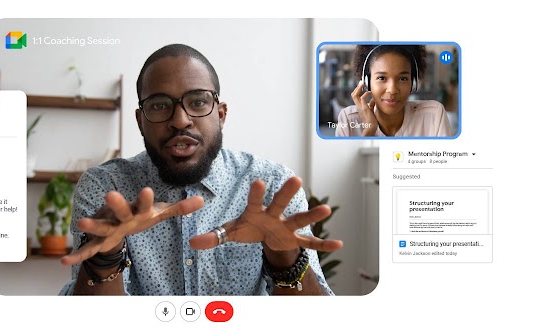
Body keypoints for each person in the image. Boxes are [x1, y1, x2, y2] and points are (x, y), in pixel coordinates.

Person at [59, 44, 343, 296]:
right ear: (140, 121)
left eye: (197, 102)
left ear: (221, 114)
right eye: (159, 105)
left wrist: (286, 259)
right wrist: (106, 257)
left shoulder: (274, 186)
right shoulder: (106, 188)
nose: (180, 121)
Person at [336, 45, 452, 137]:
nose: (392, 90)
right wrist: (369, 130)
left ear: (414, 83)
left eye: (402, 79)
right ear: (366, 82)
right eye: (381, 78)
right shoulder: (348, 119)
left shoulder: (434, 114)